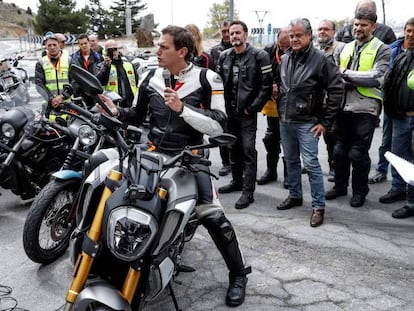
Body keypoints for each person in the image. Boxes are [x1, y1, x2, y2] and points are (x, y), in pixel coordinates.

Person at [97, 25, 251, 307]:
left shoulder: (208, 77)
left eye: (163, 47)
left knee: (212, 215)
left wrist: (183, 109)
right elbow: (136, 114)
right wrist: (116, 111)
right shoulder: (150, 76)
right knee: (121, 200)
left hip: (190, 157)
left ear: (181, 51)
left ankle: (239, 274)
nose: (157, 50)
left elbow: (219, 124)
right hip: (152, 154)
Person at [276, 18, 343, 228]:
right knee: (290, 160)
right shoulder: (286, 58)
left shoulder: (322, 59)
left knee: (312, 165)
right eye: (292, 35)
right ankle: (295, 196)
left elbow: (337, 89)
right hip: (286, 120)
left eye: (298, 35)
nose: (294, 39)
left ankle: (318, 207)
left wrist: (325, 121)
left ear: (309, 35)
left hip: (308, 122)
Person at [325, 8, 392, 207]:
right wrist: (346, 76)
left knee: (357, 152)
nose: (358, 28)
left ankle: (360, 191)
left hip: (366, 107)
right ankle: (339, 186)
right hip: (343, 106)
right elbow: (333, 74)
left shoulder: (382, 48)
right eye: (356, 24)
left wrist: (346, 74)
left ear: (373, 26)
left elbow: (377, 77)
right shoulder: (344, 48)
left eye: (363, 25)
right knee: (339, 151)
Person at [217, 20, 273, 209]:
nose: (234, 36)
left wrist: (253, 107)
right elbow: (218, 84)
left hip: (247, 113)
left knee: (248, 150)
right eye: (231, 33)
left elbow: (266, 86)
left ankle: (248, 192)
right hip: (229, 112)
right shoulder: (224, 56)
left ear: (245, 34)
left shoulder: (260, 56)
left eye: (238, 33)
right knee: (233, 147)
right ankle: (236, 181)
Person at [382, 17, 414, 218]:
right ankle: (398, 188)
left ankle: (411, 203)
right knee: (397, 154)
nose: (411, 35)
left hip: (410, 115)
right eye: (408, 30)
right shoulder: (399, 53)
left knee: (409, 159)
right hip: (397, 114)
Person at [257, 29, 290, 187]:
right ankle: (271, 171)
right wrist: (270, 85)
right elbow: (260, 72)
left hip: (292, 103)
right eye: (281, 45)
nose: (284, 49)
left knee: (289, 140)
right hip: (273, 102)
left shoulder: (300, 51)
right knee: (271, 138)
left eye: (287, 46)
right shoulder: (268, 51)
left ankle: (289, 175)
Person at [315, 19, 345, 182]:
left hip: (333, 102)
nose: (322, 32)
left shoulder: (341, 48)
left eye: (326, 29)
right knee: (316, 136)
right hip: (317, 103)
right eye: (320, 29)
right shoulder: (313, 49)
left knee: (333, 138)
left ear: (334, 31)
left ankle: (335, 168)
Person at [210, 20, 233, 177]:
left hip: (237, 98)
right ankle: (226, 163)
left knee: (238, 134)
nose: (226, 34)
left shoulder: (240, 49)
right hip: (220, 98)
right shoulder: (215, 51)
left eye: (228, 31)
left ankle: (239, 162)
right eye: (223, 31)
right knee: (222, 131)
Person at [35, 33, 71, 118]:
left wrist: (62, 96)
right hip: (50, 105)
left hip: (67, 103)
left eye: (54, 44)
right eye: (49, 45)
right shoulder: (41, 63)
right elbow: (38, 84)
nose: (52, 47)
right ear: (46, 47)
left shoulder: (69, 60)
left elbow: (74, 81)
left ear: (59, 45)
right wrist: (52, 99)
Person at [96, 39, 138, 108]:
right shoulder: (102, 66)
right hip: (113, 105)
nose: (113, 52)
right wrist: (106, 67)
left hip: (131, 104)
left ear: (118, 50)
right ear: (106, 51)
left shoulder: (129, 65)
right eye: (110, 50)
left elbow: (137, 83)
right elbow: (99, 82)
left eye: (115, 49)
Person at [70, 33, 103, 107]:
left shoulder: (98, 58)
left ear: (89, 43)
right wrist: (84, 89)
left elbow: (101, 75)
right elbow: (73, 78)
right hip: (80, 95)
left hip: (96, 95)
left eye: (85, 43)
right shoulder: (73, 59)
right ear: (79, 45)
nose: (84, 45)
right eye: (81, 44)